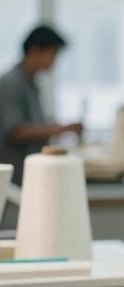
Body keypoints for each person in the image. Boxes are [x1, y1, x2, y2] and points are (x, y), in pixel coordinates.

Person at [0, 24, 83, 186]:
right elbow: (16, 131)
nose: (54, 61)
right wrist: (62, 129)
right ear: (35, 50)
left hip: (28, 177)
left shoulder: (31, 84)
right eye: (53, 54)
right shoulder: (11, 83)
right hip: (13, 179)